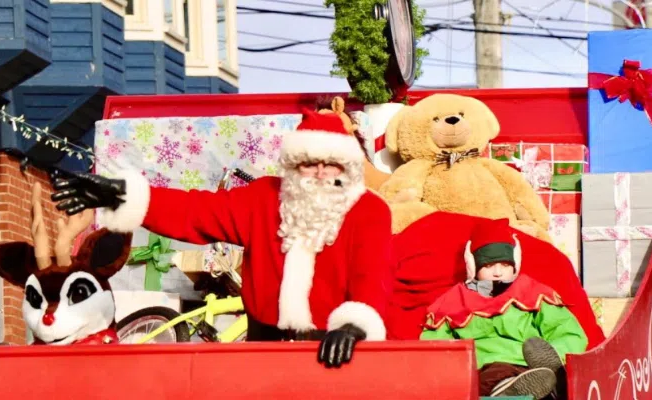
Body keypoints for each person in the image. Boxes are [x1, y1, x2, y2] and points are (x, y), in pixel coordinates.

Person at [50, 109, 394, 368]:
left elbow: (371, 279)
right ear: (292, 165)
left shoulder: (370, 212)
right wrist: (121, 195)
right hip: (265, 350)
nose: (320, 173)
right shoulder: (264, 199)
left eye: (331, 164)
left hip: (334, 351)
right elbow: (195, 211)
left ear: (347, 167)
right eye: (309, 163)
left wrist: (353, 327)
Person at [420, 218, 587, 399]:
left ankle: (551, 378)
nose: (498, 272)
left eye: (505, 265)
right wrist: (452, 372)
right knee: (494, 374)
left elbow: (567, 331)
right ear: (473, 266)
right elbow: (436, 347)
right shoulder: (452, 302)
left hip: (531, 363)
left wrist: (559, 353)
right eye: (489, 265)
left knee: (543, 372)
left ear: (515, 264)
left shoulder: (535, 292)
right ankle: (507, 388)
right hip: (484, 367)